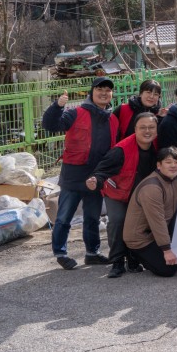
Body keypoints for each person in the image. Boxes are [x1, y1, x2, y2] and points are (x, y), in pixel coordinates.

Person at [42, 77, 119, 270]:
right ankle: (60, 253)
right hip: (73, 175)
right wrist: (57, 106)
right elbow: (50, 125)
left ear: (112, 95)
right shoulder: (76, 113)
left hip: (96, 177)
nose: (104, 93)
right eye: (100, 89)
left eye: (108, 90)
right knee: (63, 217)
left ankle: (92, 253)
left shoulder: (112, 119)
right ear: (91, 92)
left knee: (93, 217)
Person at [87, 112, 159, 278]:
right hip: (117, 192)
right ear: (135, 129)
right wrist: (95, 181)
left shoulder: (158, 145)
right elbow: (101, 171)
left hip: (139, 195)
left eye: (151, 127)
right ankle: (117, 261)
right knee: (118, 221)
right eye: (142, 128)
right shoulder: (121, 150)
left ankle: (134, 258)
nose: (147, 131)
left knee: (139, 225)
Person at [122, 146, 177, 278]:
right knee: (169, 270)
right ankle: (132, 253)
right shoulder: (152, 187)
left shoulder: (174, 181)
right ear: (159, 165)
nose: (173, 165)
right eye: (168, 162)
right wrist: (167, 250)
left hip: (156, 234)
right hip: (141, 238)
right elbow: (157, 221)